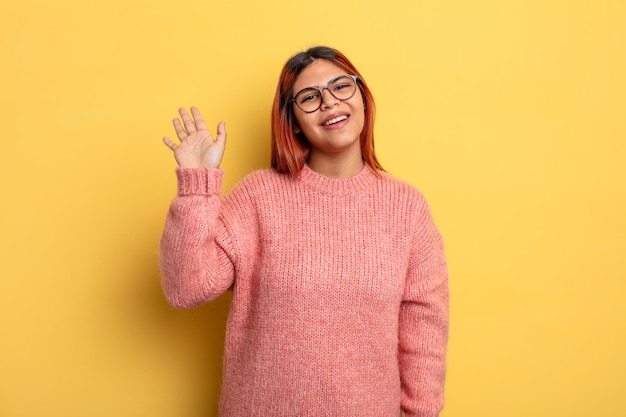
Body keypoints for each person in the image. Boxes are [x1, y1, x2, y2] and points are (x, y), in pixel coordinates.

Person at [160, 46, 449, 417]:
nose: (329, 102)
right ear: (294, 120)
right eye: (310, 97)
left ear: (362, 97)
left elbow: (424, 329)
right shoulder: (258, 197)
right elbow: (186, 288)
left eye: (341, 87)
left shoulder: (407, 208)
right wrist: (198, 184)